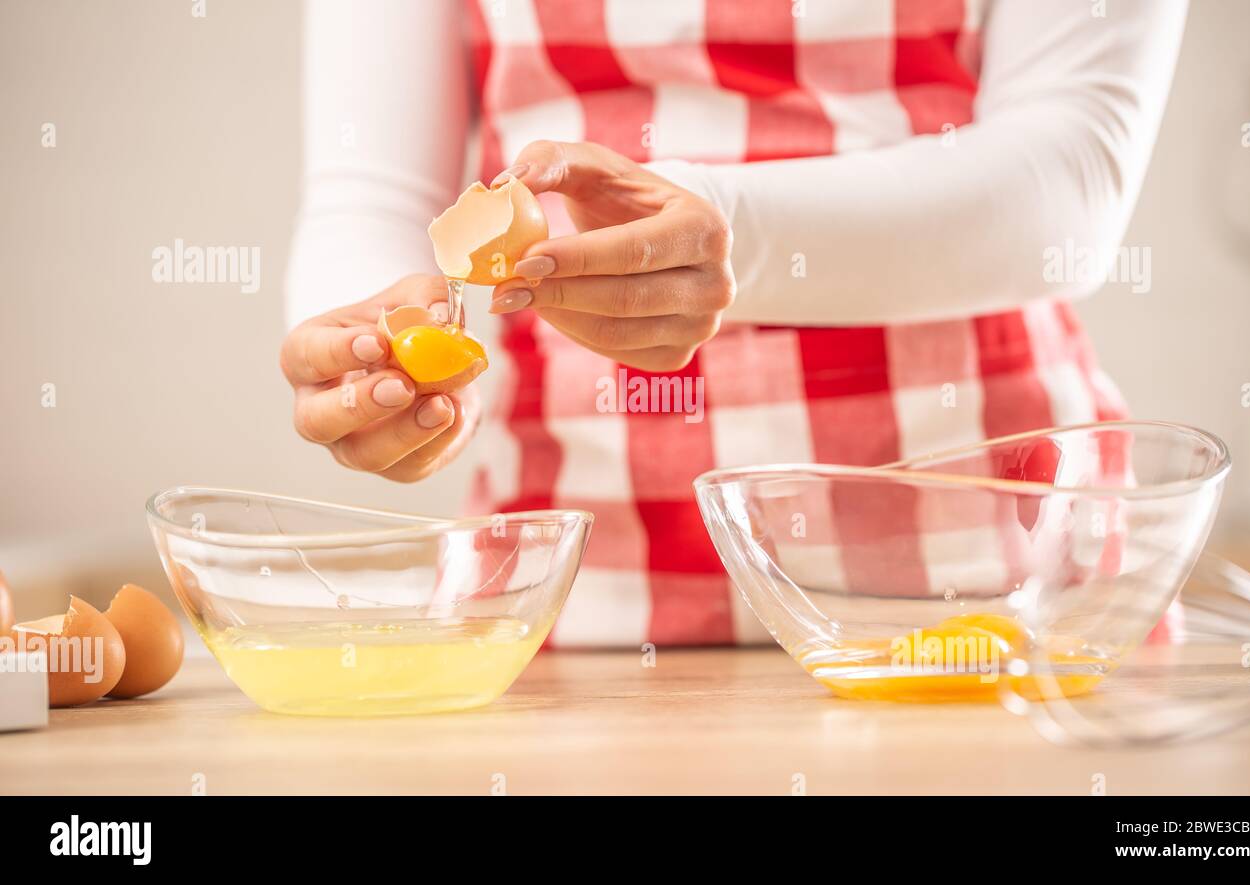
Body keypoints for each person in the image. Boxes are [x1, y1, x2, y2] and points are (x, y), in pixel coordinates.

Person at [281, 0, 1188, 646]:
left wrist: (730, 228)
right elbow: (372, 190)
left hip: (998, 587)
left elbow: (1071, 174)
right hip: (570, 599)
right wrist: (368, 346)